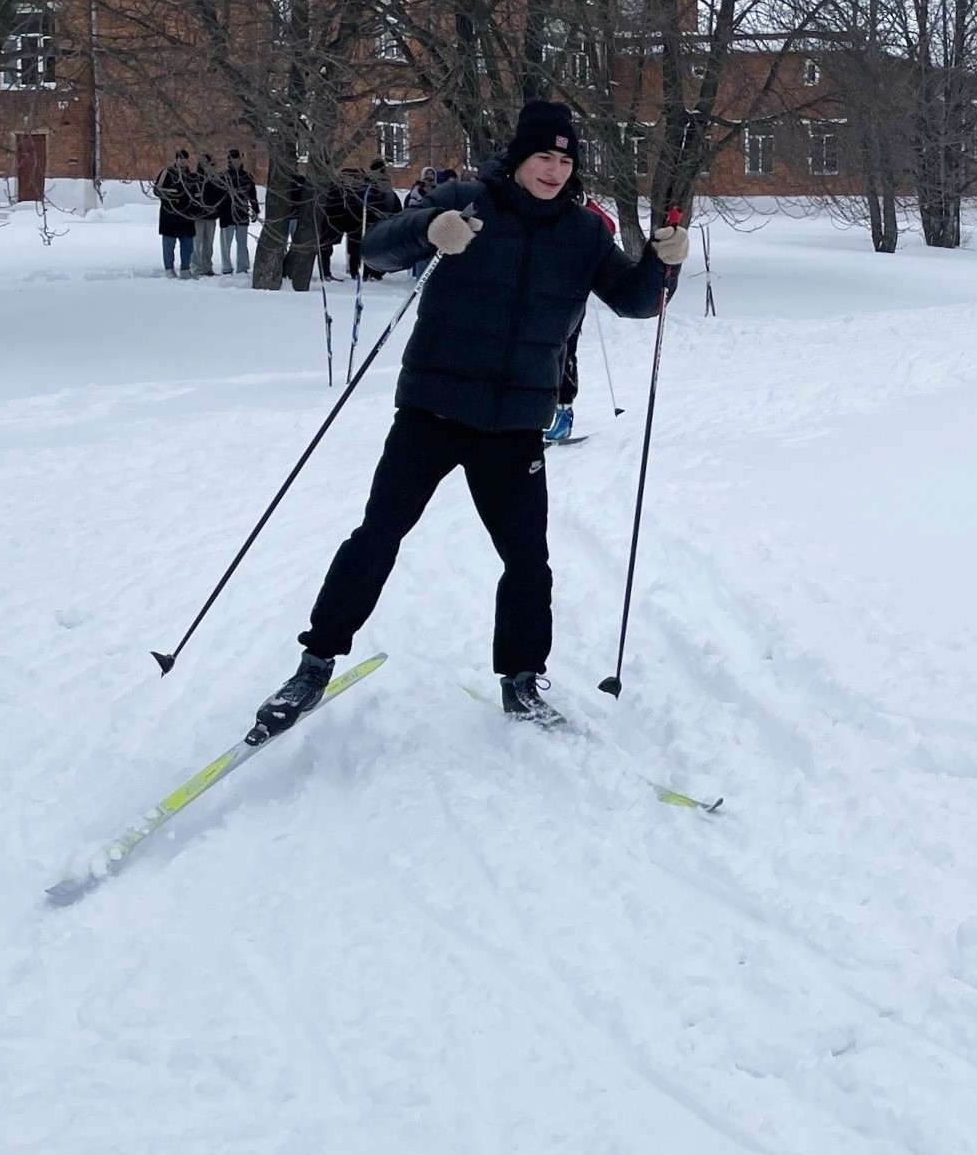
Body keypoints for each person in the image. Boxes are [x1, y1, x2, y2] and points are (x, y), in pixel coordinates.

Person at [249, 102, 689, 735]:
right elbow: (376, 250)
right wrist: (429, 230)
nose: (554, 169)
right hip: (432, 409)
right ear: (518, 157)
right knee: (378, 536)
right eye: (543, 155)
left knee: (527, 561)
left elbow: (637, 302)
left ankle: (521, 680)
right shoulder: (468, 201)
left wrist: (660, 263)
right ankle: (315, 663)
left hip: (513, 424)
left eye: (565, 160)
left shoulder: (585, 233)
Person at [542, 197, 619, 445]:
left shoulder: (582, 206)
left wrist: (585, 202)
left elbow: (608, 228)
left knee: (562, 353)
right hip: (533, 293)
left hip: (570, 296)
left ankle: (563, 413)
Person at [154, 149, 198, 277]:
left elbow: (197, 195)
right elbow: (157, 190)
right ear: (176, 160)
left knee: (188, 245)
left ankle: (185, 269)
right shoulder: (167, 173)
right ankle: (169, 269)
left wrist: (194, 209)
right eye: (180, 158)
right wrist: (173, 197)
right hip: (170, 216)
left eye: (184, 159)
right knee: (169, 245)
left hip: (187, 217)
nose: (182, 161)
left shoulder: (192, 177)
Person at [219, 150, 257, 275]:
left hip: (242, 213)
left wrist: (255, 210)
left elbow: (252, 195)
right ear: (229, 161)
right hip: (226, 214)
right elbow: (218, 197)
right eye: (233, 159)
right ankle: (226, 267)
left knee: (242, 243)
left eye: (237, 159)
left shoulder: (247, 177)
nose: (235, 162)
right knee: (226, 244)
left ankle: (243, 266)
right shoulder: (223, 177)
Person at [189, 154, 224, 277]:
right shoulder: (195, 179)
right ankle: (196, 267)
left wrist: (216, 210)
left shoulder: (215, 180)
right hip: (198, 217)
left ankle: (207, 267)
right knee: (196, 244)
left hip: (211, 217)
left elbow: (220, 196)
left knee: (208, 245)